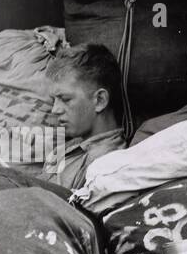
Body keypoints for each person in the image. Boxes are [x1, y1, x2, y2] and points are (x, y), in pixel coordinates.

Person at [44, 43, 127, 188]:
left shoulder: (105, 163)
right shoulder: (69, 147)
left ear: (100, 100)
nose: (55, 110)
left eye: (65, 99)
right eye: (54, 100)